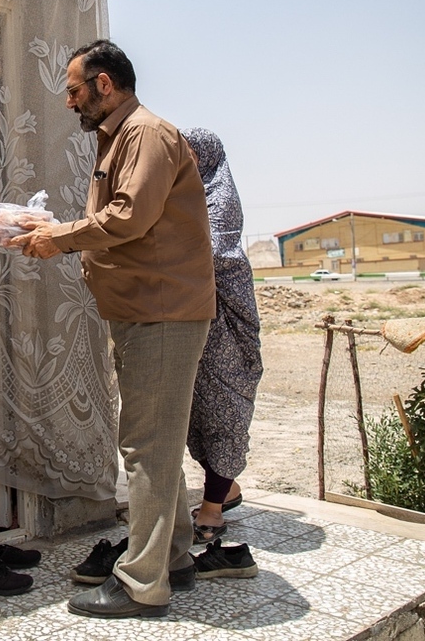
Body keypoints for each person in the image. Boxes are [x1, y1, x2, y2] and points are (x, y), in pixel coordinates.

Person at [12, 39, 216, 618]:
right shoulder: (122, 137)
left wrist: (60, 237)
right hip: (145, 313)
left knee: (147, 447)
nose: (70, 103)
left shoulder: (145, 134)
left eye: (74, 90)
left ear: (105, 85)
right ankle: (172, 559)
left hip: (161, 314)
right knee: (158, 440)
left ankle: (141, 585)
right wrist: (57, 230)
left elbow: (129, 216)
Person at [179, 127, 264, 543]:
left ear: (208, 159)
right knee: (194, 409)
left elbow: (213, 252)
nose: (184, 161)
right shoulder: (179, 194)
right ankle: (225, 488)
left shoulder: (219, 198)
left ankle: (213, 508)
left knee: (224, 405)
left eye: (191, 154)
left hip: (222, 319)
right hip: (186, 313)